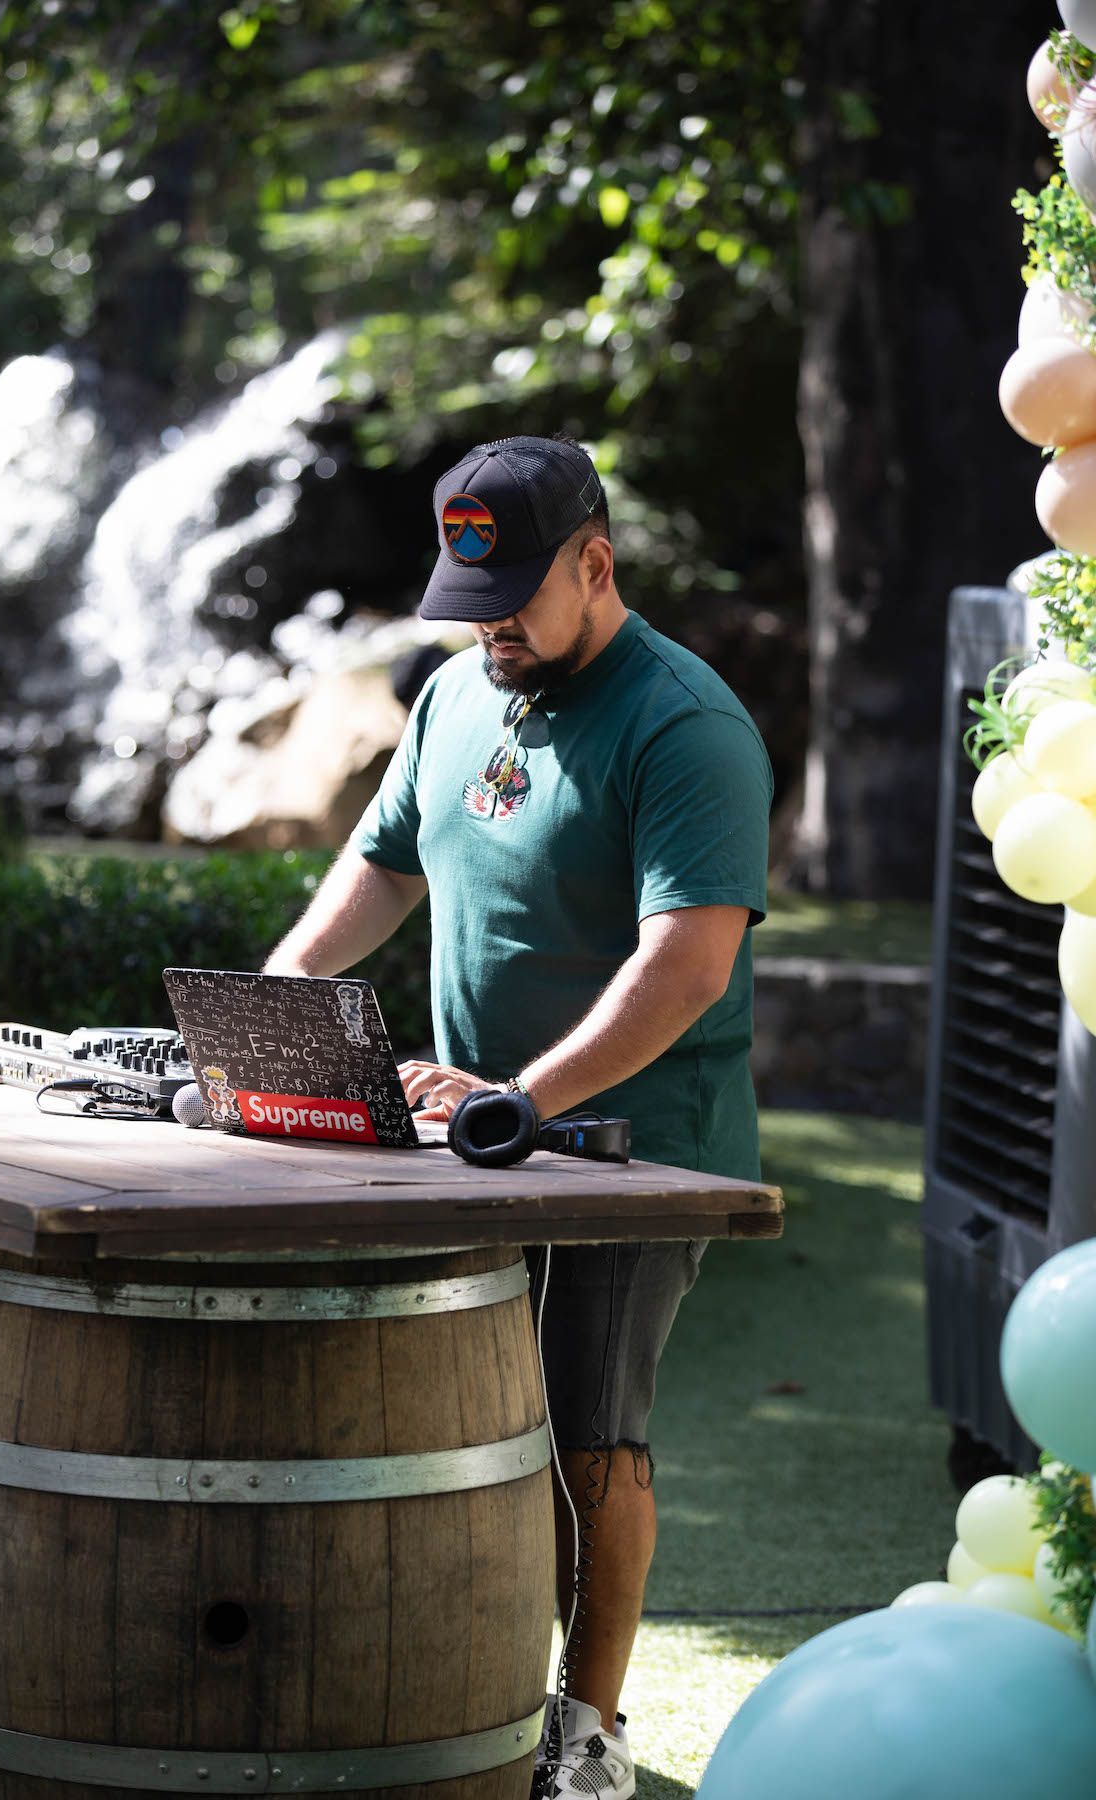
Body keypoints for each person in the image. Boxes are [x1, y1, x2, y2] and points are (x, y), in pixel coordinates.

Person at [264, 433, 773, 1799]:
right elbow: (382, 867)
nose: (486, 630)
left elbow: (689, 965)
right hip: (474, 1142)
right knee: (461, 1426)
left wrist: (521, 1099)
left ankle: (587, 1739)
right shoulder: (453, 693)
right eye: (467, 603)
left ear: (595, 564)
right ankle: (464, 1700)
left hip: (633, 1154)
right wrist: (273, 1000)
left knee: (586, 1438)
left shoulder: (686, 724)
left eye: (510, 603)